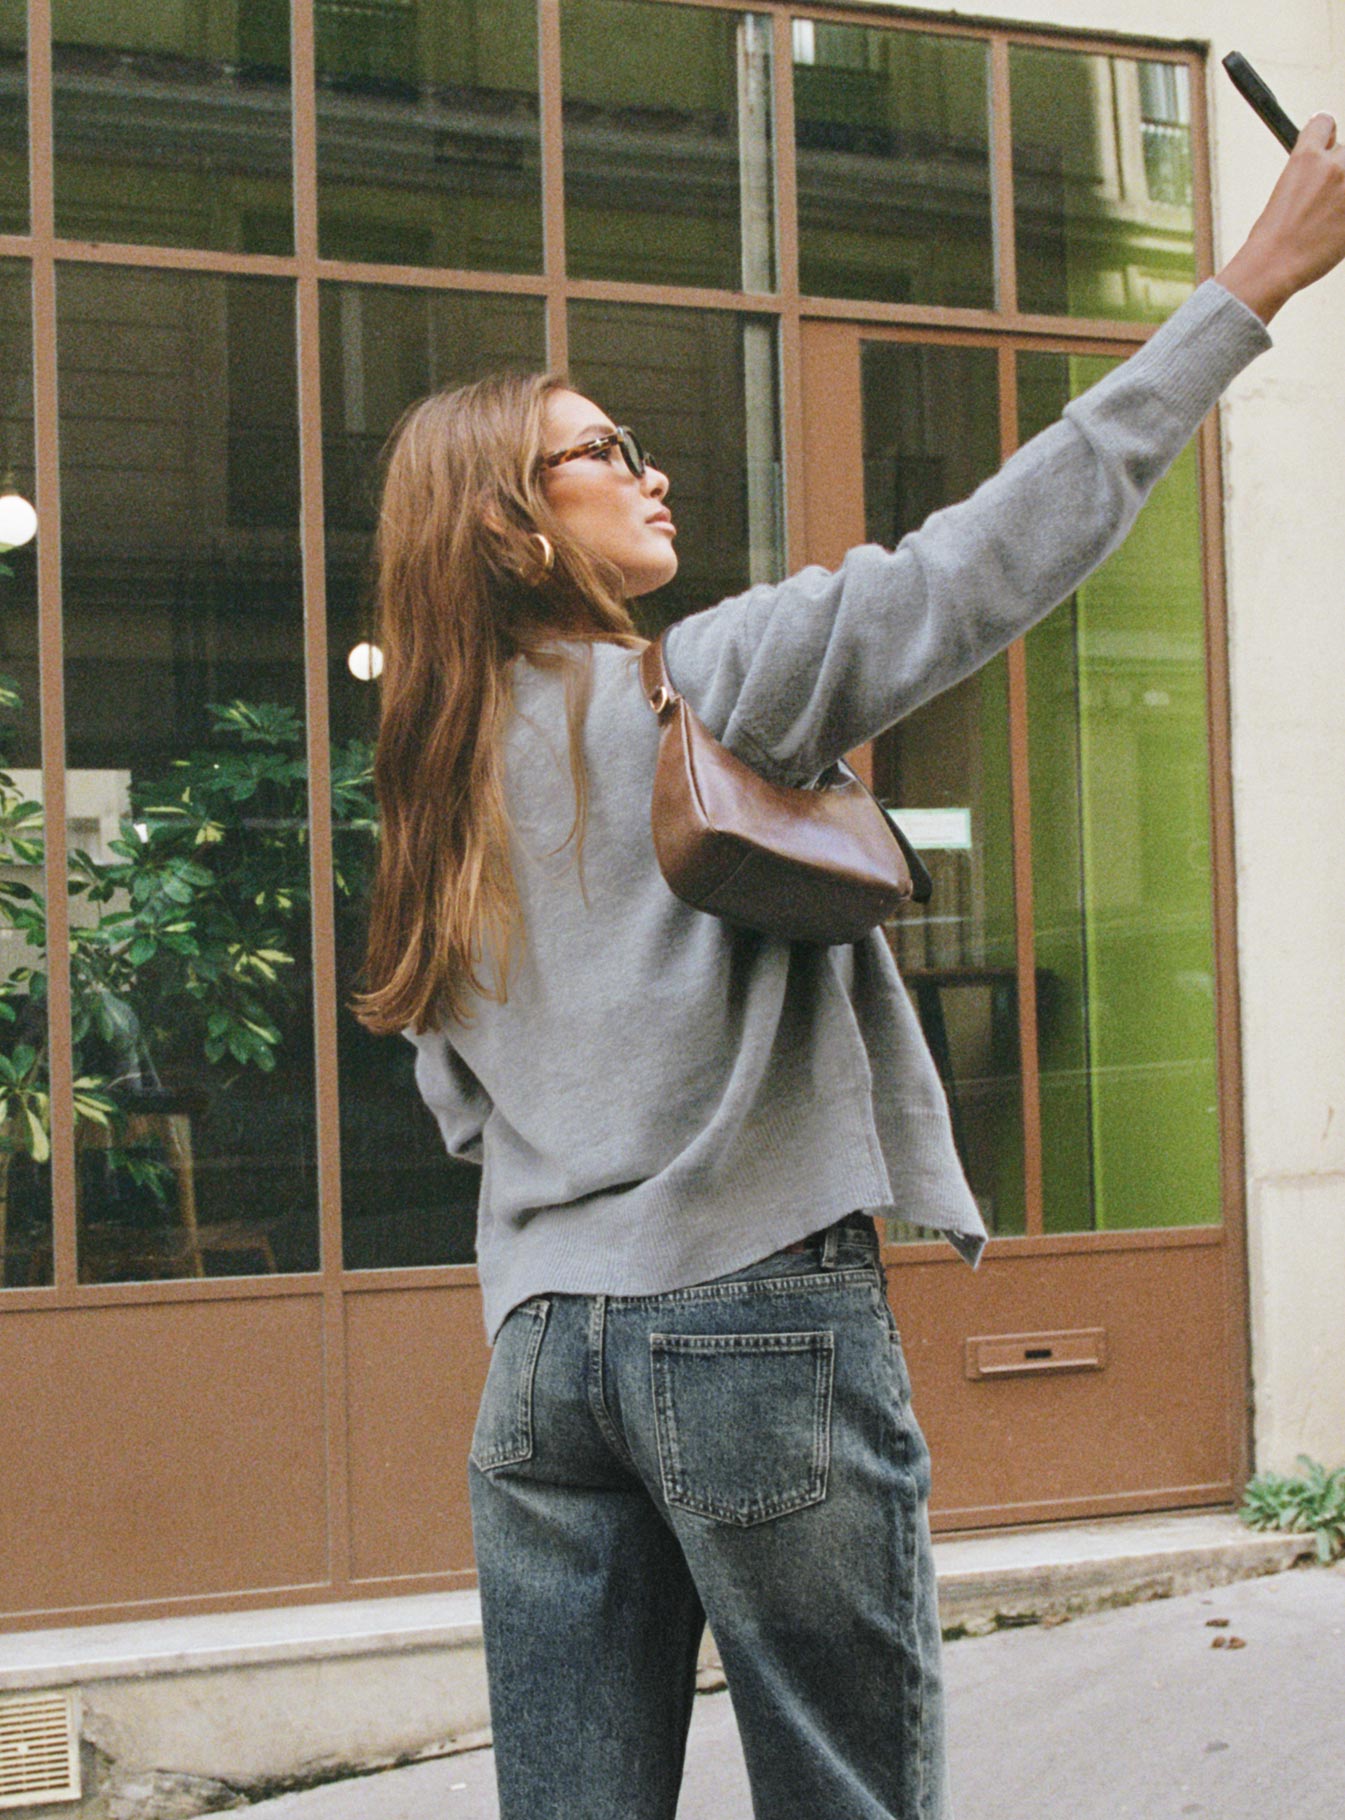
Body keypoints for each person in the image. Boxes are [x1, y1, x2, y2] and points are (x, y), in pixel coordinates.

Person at [355, 118, 1345, 1820]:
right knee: (845, 1793)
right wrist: (1249, 283)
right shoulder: (711, 683)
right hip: (749, 1320)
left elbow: (455, 1102)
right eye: (604, 453)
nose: (649, 471)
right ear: (518, 530)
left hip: (538, 1364)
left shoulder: (431, 793)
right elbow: (982, 558)